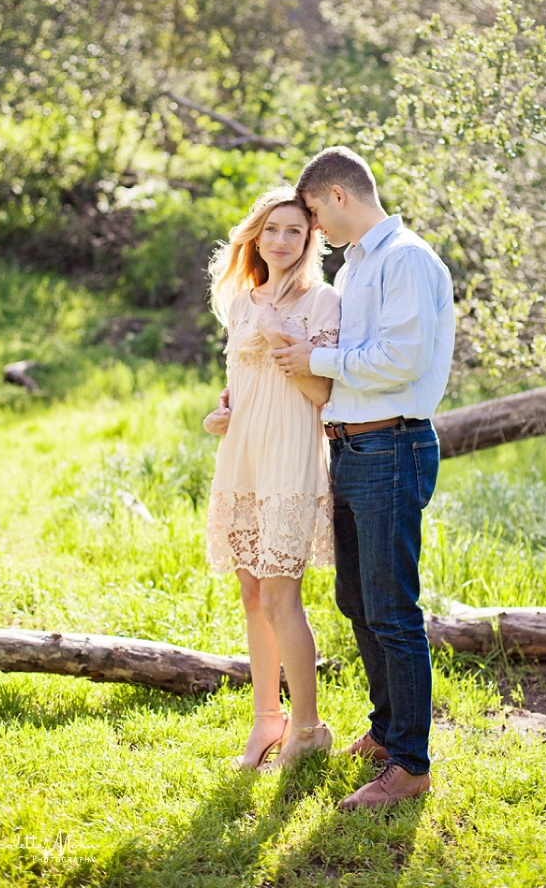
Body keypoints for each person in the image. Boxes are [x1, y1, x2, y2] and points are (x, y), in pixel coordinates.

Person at [272, 147, 455, 809]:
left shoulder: (405, 259)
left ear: (339, 197)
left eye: (315, 213)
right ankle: (385, 733)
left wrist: (317, 357)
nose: (314, 228)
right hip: (351, 449)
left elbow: (401, 360)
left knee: (393, 611)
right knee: (357, 602)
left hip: (393, 447)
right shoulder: (358, 266)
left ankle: (410, 765)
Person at [203, 186, 341, 769]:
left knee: (282, 596)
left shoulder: (323, 301)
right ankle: (266, 721)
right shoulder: (240, 302)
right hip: (242, 453)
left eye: (295, 231)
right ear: (256, 236)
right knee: (251, 592)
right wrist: (221, 413)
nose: (281, 241)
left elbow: (321, 393)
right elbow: (240, 385)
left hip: (289, 455)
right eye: (272, 230)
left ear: (310, 239)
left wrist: (287, 342)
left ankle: (308, 729)